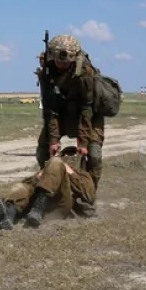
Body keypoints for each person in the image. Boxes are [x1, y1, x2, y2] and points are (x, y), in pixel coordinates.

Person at [36, 34, 105, 187]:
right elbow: (49, 109)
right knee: (42, 152)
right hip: (61, 113)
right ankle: (48, 184)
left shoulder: (85, 73)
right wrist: (53, 140)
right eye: (59, 61)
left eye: (66, 62)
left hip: (89, 116)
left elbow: (86, 109)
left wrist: (83, 142)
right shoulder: (47, 72)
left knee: (94, 155)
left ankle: (89, 189)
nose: (62, 64)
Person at [0, 146, 98, 229]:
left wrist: (70, 172)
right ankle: (10, 212)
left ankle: (37, 210)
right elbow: (27, 187)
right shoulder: (50, 169)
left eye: (72, 154)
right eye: (65, 154)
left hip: (62, 204)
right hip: (39, 204)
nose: (68, 156)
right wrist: (38, 177)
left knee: (55, 162)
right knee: (22, 186)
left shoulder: (83, 175)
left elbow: (89, 196)